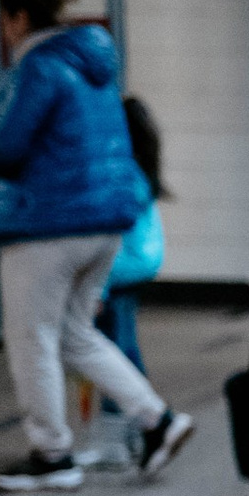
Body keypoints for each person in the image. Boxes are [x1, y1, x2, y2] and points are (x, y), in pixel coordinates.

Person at [0, 0, 193, 492]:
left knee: (31, 337)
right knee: (74, 333)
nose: (3, 31)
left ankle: (52, 454)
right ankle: (157, 421)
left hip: (49, 224)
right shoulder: (95, 67)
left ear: (19, 18)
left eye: (5, 20)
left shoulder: (41, 65)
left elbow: (8, 144)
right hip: (103, 225)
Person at [99, 93, 166, 398]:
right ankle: (138, 414)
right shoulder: (139, 166)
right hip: (139, 261)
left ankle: (136, 414)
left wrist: (96, 286)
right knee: (121, 340)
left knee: (115, 346)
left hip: (123, 265)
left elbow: (110, 232)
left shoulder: (120, 171)